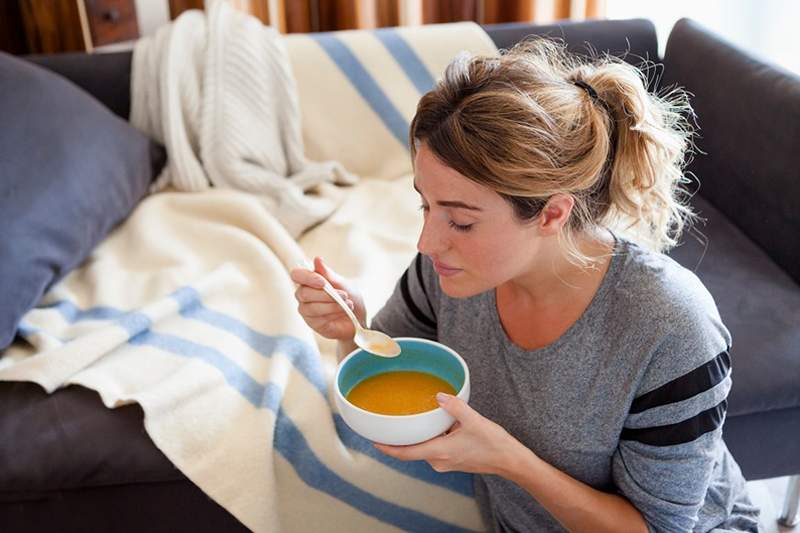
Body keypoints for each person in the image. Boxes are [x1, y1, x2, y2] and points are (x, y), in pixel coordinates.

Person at [291, 38, 759, 532]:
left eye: (462, 222)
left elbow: (661, 529)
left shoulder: (670, 328)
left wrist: (508, 461)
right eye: (425, 205)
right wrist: (351, 326)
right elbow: (380, 389)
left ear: (553, 213)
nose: (427, 242)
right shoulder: (445, 272)